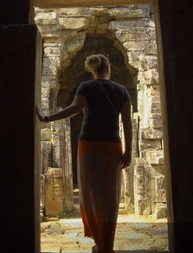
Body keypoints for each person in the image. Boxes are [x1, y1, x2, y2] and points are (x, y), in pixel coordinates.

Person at [36, 54, 133, 253]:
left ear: (92, 70)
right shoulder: (122, 91)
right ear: (108, 68)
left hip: (88, 145)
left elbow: (73, 110)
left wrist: (46, 118)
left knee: (89, 196)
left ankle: (99, 241)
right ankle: (106, 245)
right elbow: (127, 123)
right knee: (110, 199)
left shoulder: (86, 87)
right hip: (112, 147)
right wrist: (129, 150)